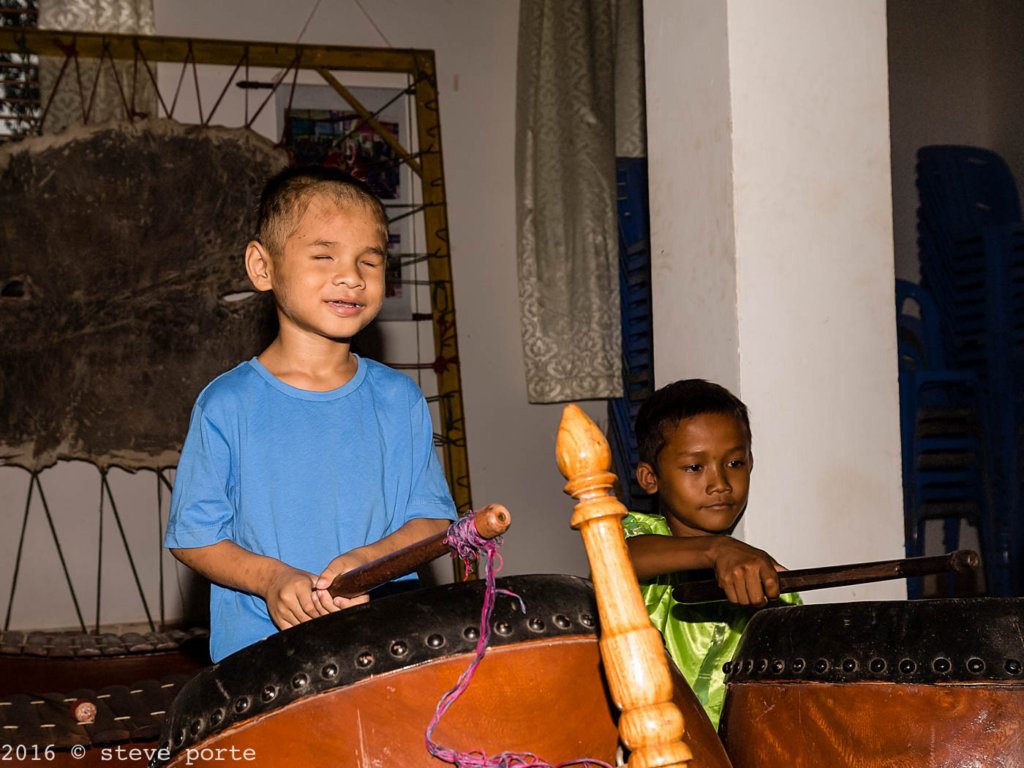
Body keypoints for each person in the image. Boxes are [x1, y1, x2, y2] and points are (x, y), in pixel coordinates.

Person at [164, 166, 456, 663]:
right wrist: (273, 579)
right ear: (263, 266)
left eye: (370, 261)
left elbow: (433, 523)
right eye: (324, 256)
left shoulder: (399, 398)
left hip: (385, 648)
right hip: (262, 659)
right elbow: (194, 538)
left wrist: (369, 564)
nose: (351, 277)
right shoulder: (226, 404)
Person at [623, 379, 799, 729]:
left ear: (751, 463)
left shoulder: (759, 574)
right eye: (694, 467)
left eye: (734, 463)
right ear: (649, 478)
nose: (720, 483)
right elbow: (616, 559)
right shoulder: (638, 540)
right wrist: (717, 550)